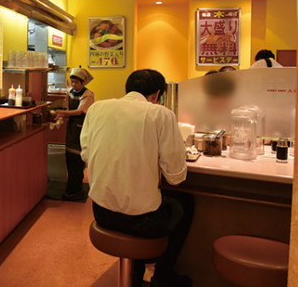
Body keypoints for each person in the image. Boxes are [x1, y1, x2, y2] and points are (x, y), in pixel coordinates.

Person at [80, 69, 194, 287]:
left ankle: (135, 274)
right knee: (184, 203)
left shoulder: (97, 108)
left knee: (145, 201)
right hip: (142, 222)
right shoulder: (161, 114)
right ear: (157, 94)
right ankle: (162, 275)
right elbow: (176, 177)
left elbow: (86, 154)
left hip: (101, 212)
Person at [54, 67, 95, 201]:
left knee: (77, 159)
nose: (74, 85)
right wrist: (61, 114)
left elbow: (79, 111)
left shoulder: (88, 94)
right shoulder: (70, 92)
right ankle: (71, 188)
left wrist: (62, 113)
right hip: (72, 127)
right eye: (72, 82)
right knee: (70, 158)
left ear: (83, 82)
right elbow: (67, 106)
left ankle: (77, 189)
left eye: (76, 82)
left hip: (81, 128)